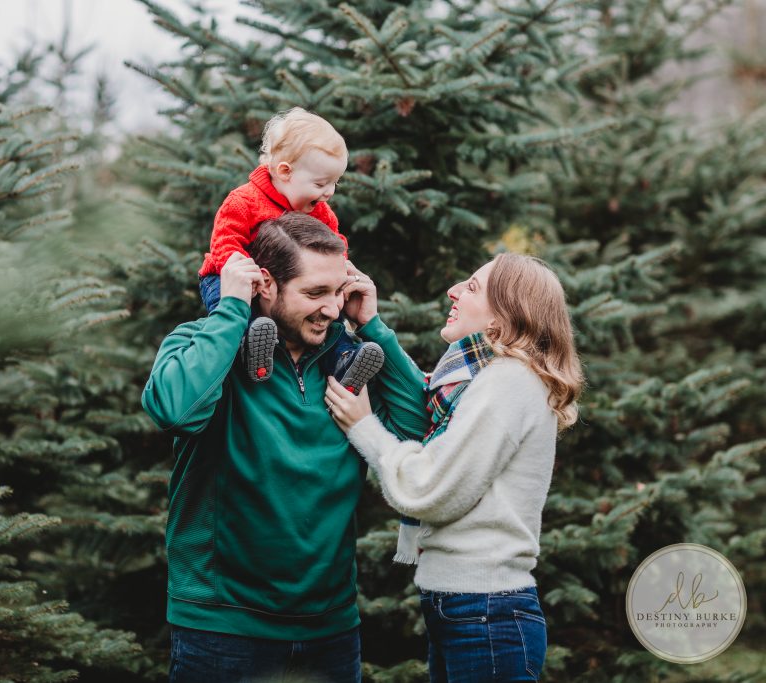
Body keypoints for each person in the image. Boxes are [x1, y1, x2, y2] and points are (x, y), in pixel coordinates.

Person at [143, 212, 429, 683]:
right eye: (315, 293)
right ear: (267, 284)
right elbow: (174, 410)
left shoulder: (349, 361)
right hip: (223, 626)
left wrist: (373, 326)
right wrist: (233, 311)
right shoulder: (203, 344)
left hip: (331, 629)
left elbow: (420, 429)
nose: (333, 309)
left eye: (338, 291)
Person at [323, 253, 584, 682]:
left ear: (506, 313)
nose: (454, 291)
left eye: (473, 286)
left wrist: (363, 426)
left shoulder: (506, 382)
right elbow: (426, 404)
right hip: (472, 608)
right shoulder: (488, 380)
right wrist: (370, 325)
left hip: (485, 611)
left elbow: (431, 490)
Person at [197, 106, 384, 392]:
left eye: (335, 182)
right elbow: (225, 240)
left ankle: (344, 360)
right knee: (234, 308)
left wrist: (340, 273)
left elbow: (335, 244)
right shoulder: (244, 201)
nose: (329, 192)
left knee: (329, 308)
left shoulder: (321, 212)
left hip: (286, 285)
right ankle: (250, 347)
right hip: (229, 277)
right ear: (285, 172)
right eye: (321, 183)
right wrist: (244, 273)